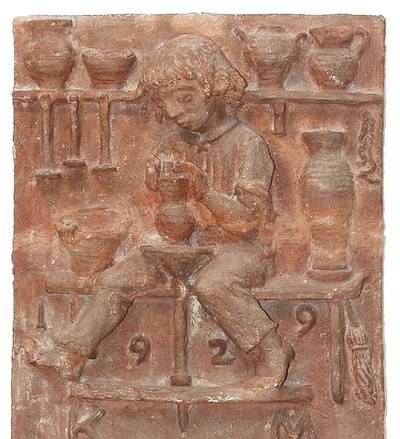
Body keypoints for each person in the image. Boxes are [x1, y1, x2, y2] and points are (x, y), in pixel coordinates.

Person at [28, 34, 294, 386]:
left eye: (185, 98)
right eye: (166, 104)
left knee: (213, 284)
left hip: (239, 250)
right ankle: (72, 355)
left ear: (215, 87)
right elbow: (163, 205)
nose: (175, 112)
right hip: (183, 249)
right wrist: (157, 180)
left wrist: (204, 193)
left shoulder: (248, 144)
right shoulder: (174, 143)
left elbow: (249, 222)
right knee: (114, 280)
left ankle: (272, 350)